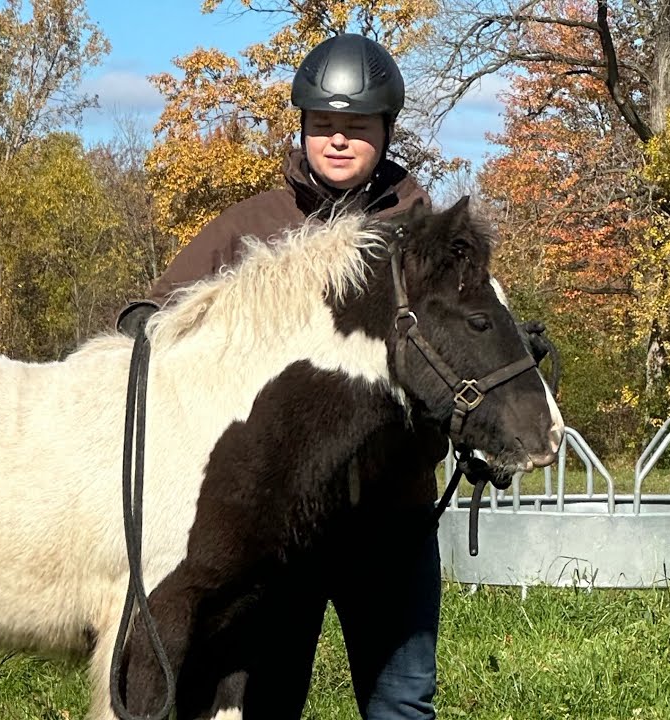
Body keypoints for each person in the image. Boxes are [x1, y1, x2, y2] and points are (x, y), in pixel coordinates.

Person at [119, 33, 445, 719]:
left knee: (401, 704)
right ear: (302, 128)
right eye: (323, 124)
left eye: (357, 127)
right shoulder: (251, 227)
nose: (337, 140)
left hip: (390, 520)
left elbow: (471, 344)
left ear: (385, 131)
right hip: (275, 529)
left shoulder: (424, 235)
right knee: (264, 705)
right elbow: (153, 318)